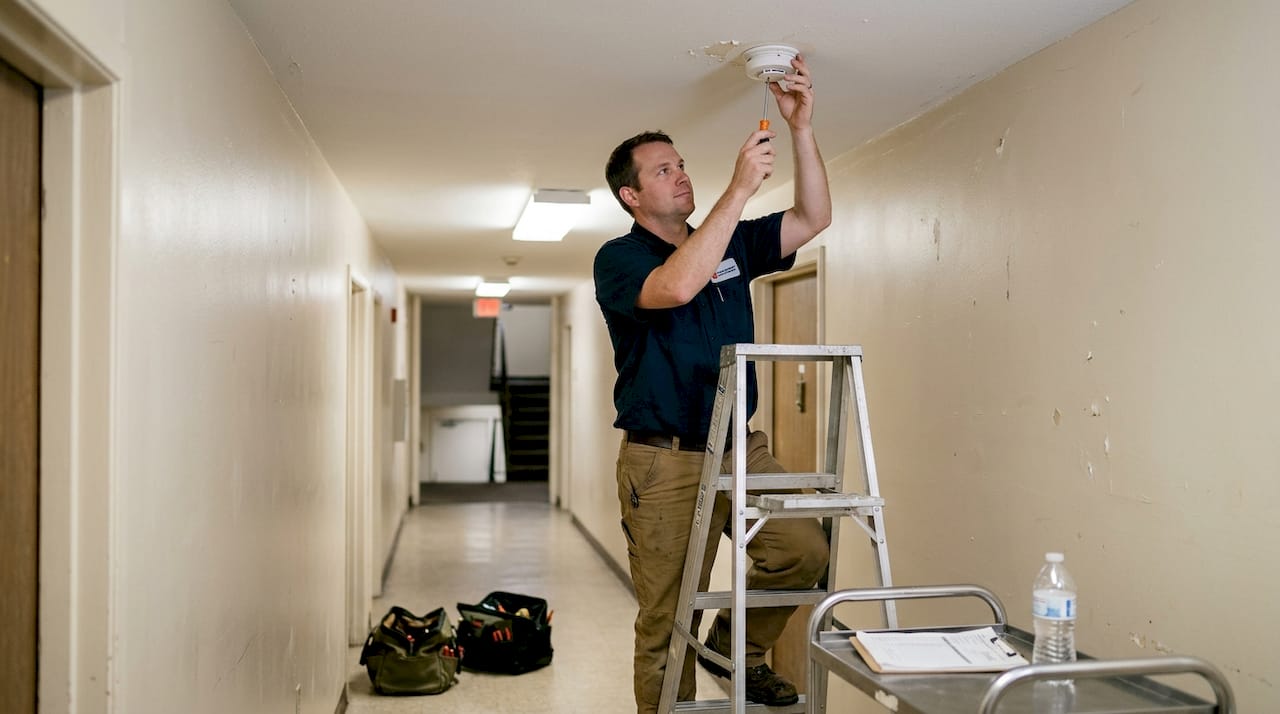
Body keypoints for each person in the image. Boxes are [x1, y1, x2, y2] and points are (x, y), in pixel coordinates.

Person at [593, 55, 832, 713]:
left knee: (803, 550)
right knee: (668, 620)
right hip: (663, 459)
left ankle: (739, 651)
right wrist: (737, 192)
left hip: (737, 447)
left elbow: (812, 219)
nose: (680, 175)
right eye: (662, 170)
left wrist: (801, 130)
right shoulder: (618, 260)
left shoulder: (733, 241)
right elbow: (675, 284)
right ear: (631, 196)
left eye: (681, 164)